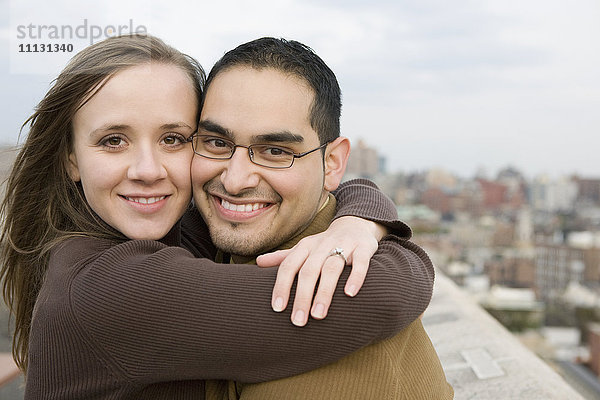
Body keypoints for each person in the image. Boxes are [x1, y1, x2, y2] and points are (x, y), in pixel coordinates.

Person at [0, 34, 435, 398]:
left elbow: (345, 188)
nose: (147, 170)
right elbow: (380, 296)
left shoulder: (181, 231)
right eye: (114, 141)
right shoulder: (103, 289)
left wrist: (356, 219)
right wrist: (389, 244)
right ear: (71, 159)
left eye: (173, 138)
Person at [187, 37, 454, 399]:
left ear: (332, 163)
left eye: (275, 151)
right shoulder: (195, 239)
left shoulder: (349, 313)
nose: (235, 180)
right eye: (216, 142)